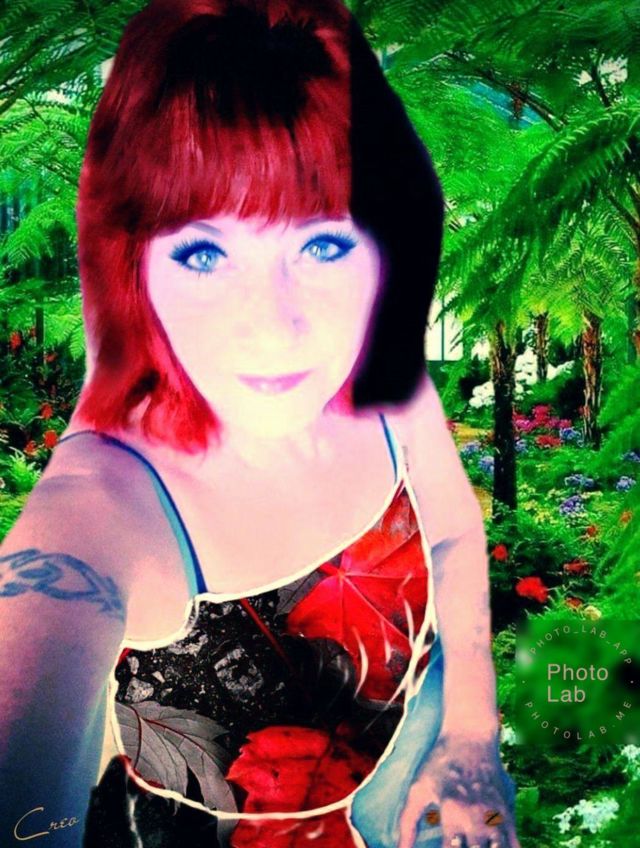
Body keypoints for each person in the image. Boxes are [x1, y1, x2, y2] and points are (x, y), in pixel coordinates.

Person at [0, 1, 519, 846]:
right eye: (204, 253)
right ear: (133, 264)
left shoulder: (377, 380)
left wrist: (468, 737)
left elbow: (455, 533)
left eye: (322, 246)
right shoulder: (98, 516)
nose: (274, 327)